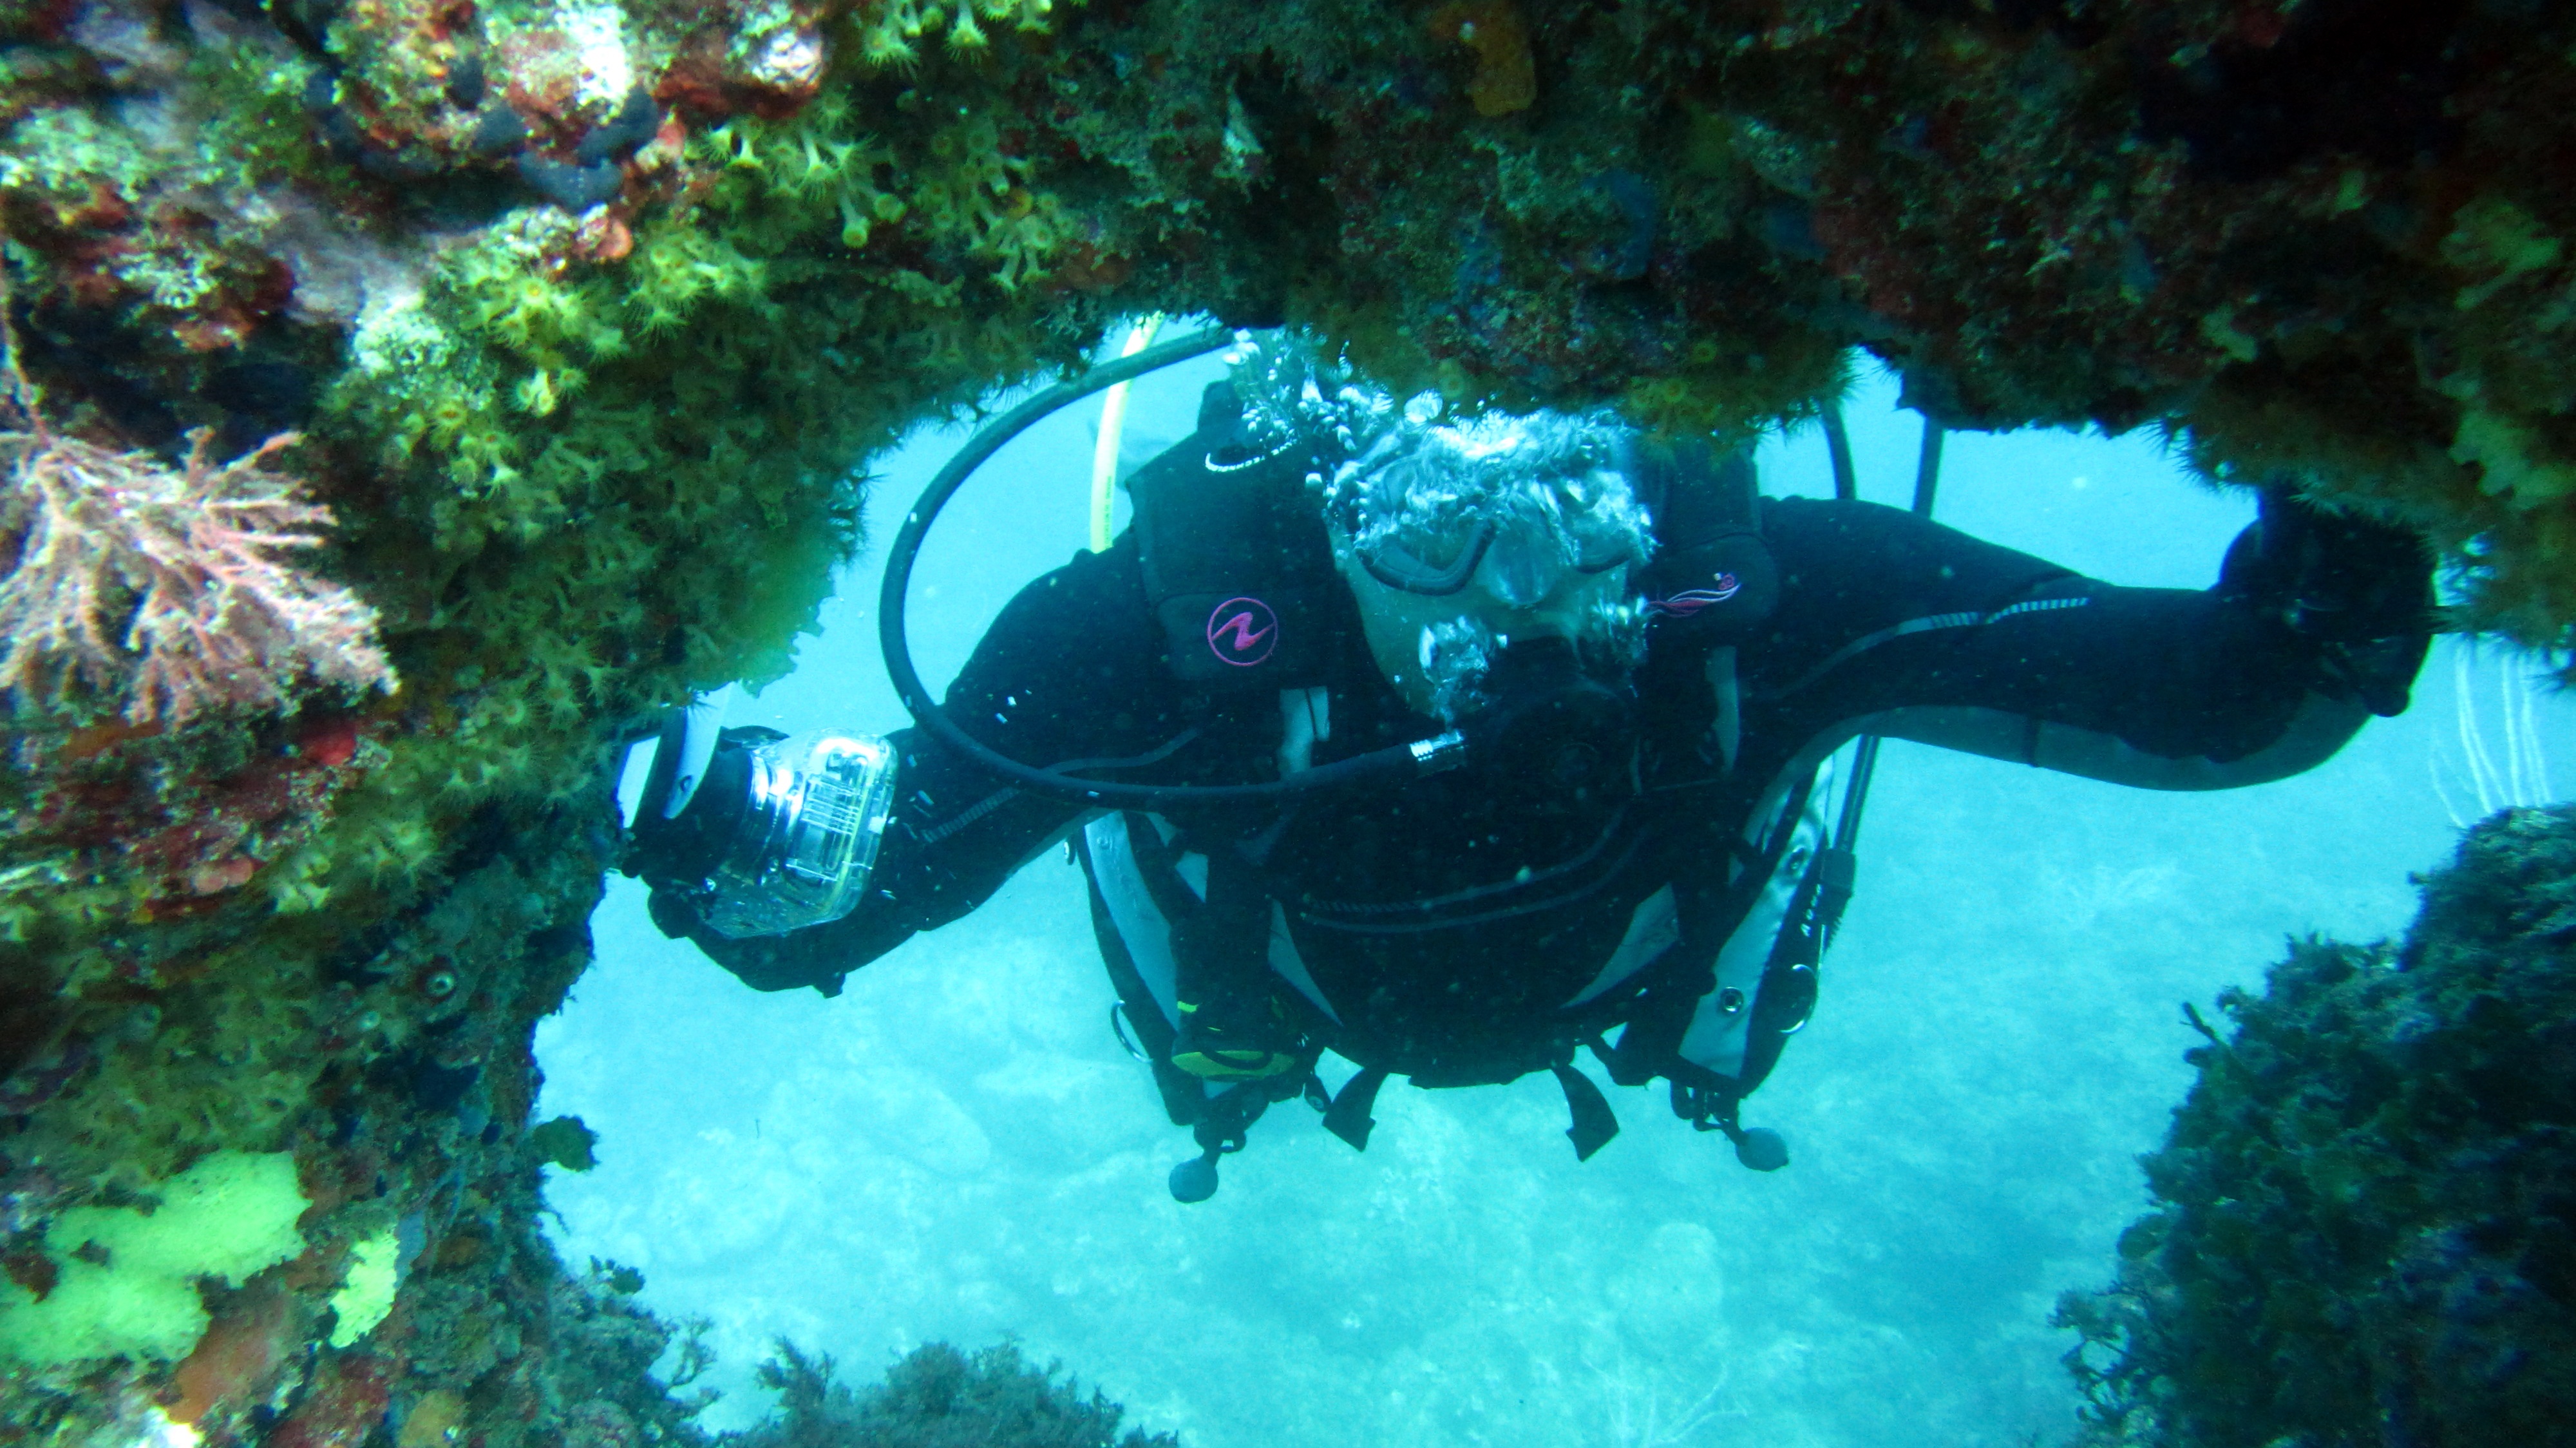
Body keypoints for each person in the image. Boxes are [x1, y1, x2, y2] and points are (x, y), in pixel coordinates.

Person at [630, 338, 2434, 1198]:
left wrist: (2347, 520)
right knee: (1138, 843)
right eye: (1428, 537)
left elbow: (2224, 703)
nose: (1505, 595)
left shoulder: (1758, 604)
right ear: (1324, 509)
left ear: (1642, 485)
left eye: (1568, 522)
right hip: (1280, 994)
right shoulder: (1165, 638)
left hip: (1638, 986)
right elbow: (842, 889)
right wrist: (697, 814)